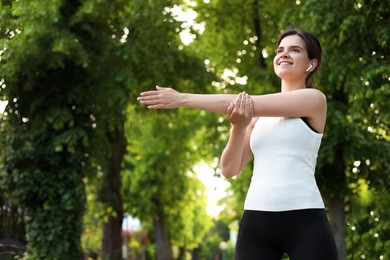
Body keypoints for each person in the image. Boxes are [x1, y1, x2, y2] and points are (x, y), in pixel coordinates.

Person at [137, 29, 338, 260]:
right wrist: (239, 126)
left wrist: (182, 98)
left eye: (295, 50)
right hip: (257, 221)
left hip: (306, 219)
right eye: (280, 50)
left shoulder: (314, 99)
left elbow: (245, 102)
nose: (284, 54)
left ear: (311, 64)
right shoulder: (256, 116)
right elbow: (229, 169)